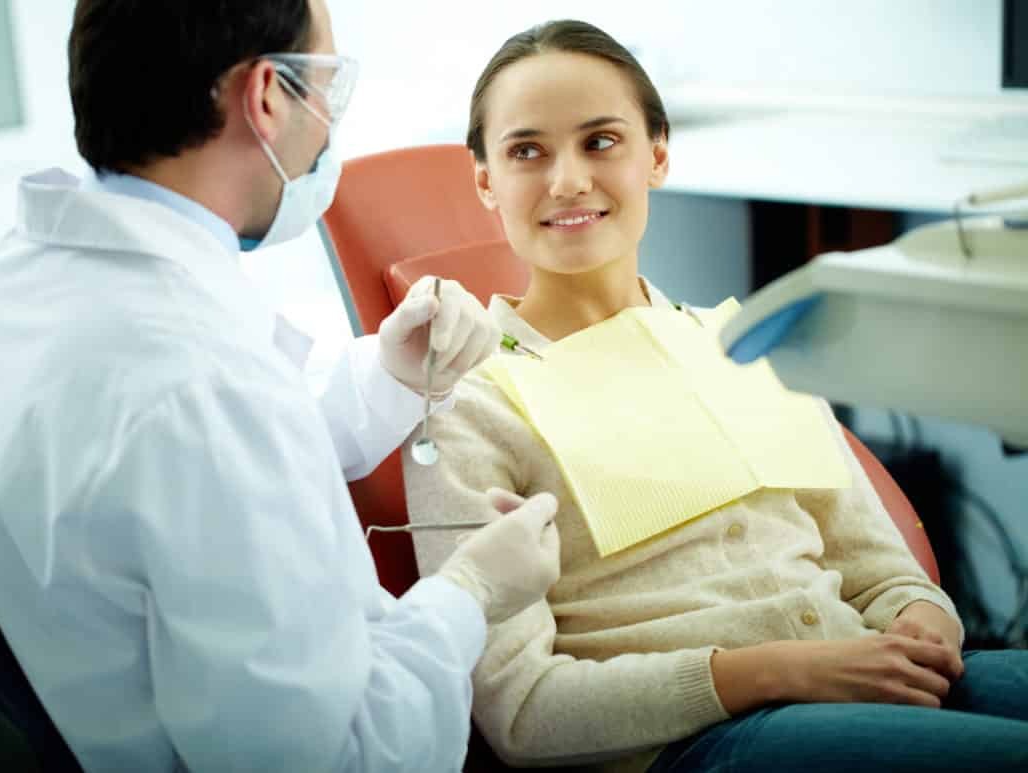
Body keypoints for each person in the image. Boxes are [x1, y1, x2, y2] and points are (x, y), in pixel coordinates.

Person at [0, 1, 562, 771]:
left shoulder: (24, 281)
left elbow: (204, 474)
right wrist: (470, 591)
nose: (329, 124)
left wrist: (386, 373)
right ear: (267, 97)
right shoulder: (198, 386)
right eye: (327, 87)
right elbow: (348, 755)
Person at [403, 19, 1028, 773]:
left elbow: (884, 572)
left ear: (657, 154)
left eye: (600, 141)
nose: (566, 179)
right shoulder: (470, 407)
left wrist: (921, 626)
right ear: (484, 181)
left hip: (863, 681)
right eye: (527, 150)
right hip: (701, 744)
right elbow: (524, 711)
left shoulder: (746, 343)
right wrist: (782, 671)